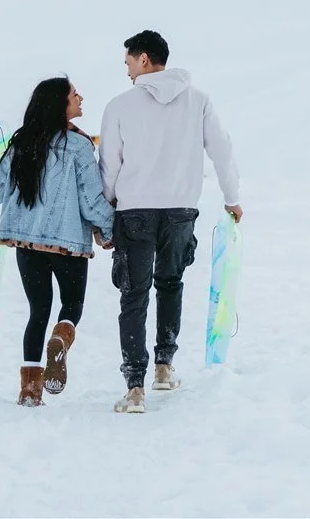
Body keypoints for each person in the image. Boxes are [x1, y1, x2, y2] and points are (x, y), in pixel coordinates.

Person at [99, 29, 242, 414]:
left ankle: (134, 388)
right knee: (170, 284)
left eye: (129, 62)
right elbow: (222, 150)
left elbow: (110, 164)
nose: (127, 71)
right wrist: (233, 199)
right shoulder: (198, 101)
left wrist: (109, 204)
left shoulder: (119, 106)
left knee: (133, 294)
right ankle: (164, 366)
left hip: (134, 212)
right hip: (180, 210)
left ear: (144, 58)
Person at [0, 76, 117, 407]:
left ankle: (30, 390)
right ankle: (61, 337)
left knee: (37, 310)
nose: (80, 97)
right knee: (72, 304)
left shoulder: (22, 143)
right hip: (68, 245)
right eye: (74, 94)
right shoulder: (78, 147)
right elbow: (92, 200)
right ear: (60, 104)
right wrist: (110, 231)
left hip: (26, 244)